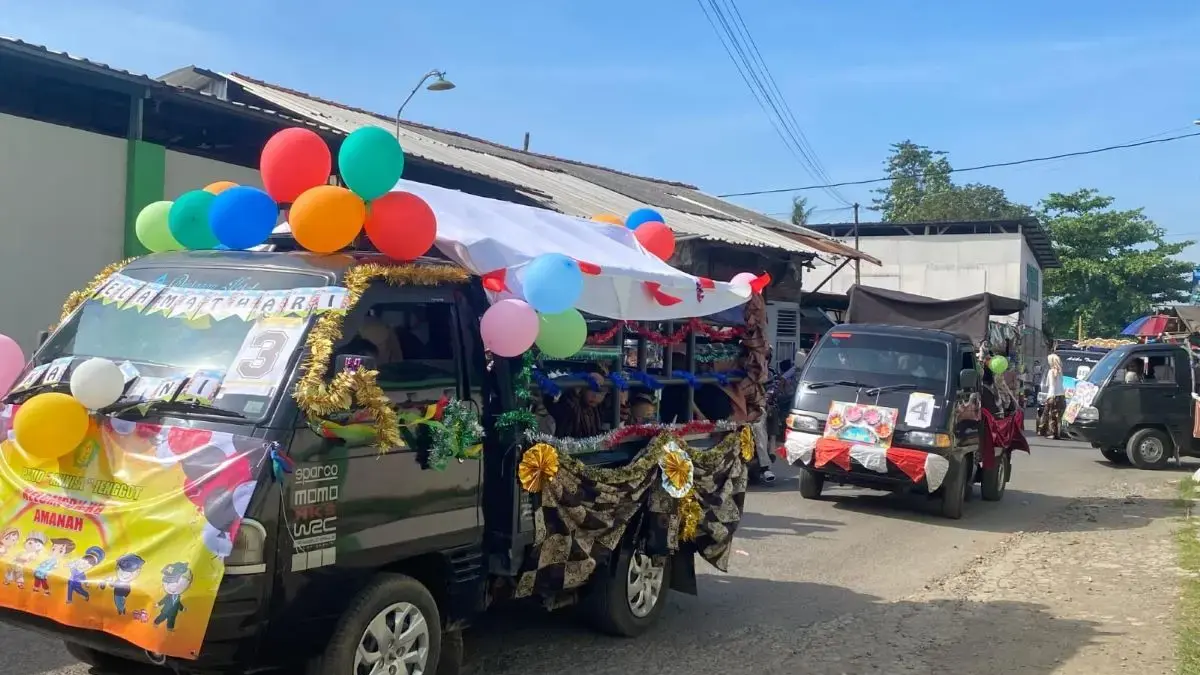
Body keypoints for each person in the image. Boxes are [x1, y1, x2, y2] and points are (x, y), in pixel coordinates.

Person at [546, 370, 608, 438]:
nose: (595, 396)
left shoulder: (600, 409)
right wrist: (576, 383)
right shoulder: (567, 403)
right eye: (591, 389)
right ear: (582, 388)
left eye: (599, 392)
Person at [1038, 354, 1066, 438]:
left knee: (1047, 414)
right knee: (1058, 415)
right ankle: (1057, 433)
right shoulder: (1060, 371)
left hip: (1052, 395)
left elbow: (1050, 385)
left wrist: (1051, 397)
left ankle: (1047, 432)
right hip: (1061, 395)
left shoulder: (1051, 371)